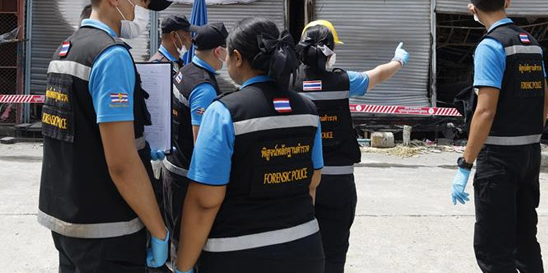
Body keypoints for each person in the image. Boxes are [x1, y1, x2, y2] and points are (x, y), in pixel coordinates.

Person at [38, 0, 173, 273]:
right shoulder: (111, 55)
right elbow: (122, 165)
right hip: (107, 230)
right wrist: (159, 229)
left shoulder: (68, 48)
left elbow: (77, 131)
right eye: (141, 2)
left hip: (67, 220)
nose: (141, 13)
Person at [175, 17, 325, 273]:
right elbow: (312, 184)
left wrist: (183, 265)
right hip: (305, 250)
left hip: (238, 255)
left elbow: (204, 202)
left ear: (236, 57)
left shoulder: (224, 112)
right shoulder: (308, 110)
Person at [293, 20, 409, 273]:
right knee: (334, 253)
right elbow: (378, 74)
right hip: (338, 181)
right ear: (330, 50)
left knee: (299, 249)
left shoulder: (290, 82)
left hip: (298, 180)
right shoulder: (344, 81)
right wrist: (398, 60)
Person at [451, 0, 547, 273]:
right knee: (524, 241)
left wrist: (465, 163)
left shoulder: (490, 46)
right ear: (507, 2)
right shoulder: (532, 44)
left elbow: (484, 112)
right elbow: (545, 99)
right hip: (529, 155)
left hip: (499, 161)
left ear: (473, 9)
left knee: (494, 248)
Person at [162, 22, 228, 253]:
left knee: (177, 243)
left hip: (172, 168)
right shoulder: (203, 87)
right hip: (185, 180)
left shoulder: (184, 72)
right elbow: (203, 144)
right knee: (188, 247)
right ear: (219, 51)